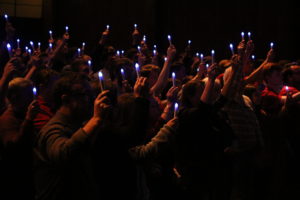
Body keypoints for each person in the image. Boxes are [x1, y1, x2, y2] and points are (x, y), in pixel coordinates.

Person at [33, 72, 111, 200]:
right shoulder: (52, 129)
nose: (91, 100)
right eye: (84, 95)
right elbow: (63, 153)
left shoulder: (77, 124)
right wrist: (96, 119)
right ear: (65, 99)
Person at [0, 77, 35, 199]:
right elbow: (14, 146)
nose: (32, 98)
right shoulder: (7, 119)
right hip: (16, 177)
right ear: (15, 97)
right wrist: (29, 119)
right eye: (29, 94)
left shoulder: (21, 114)